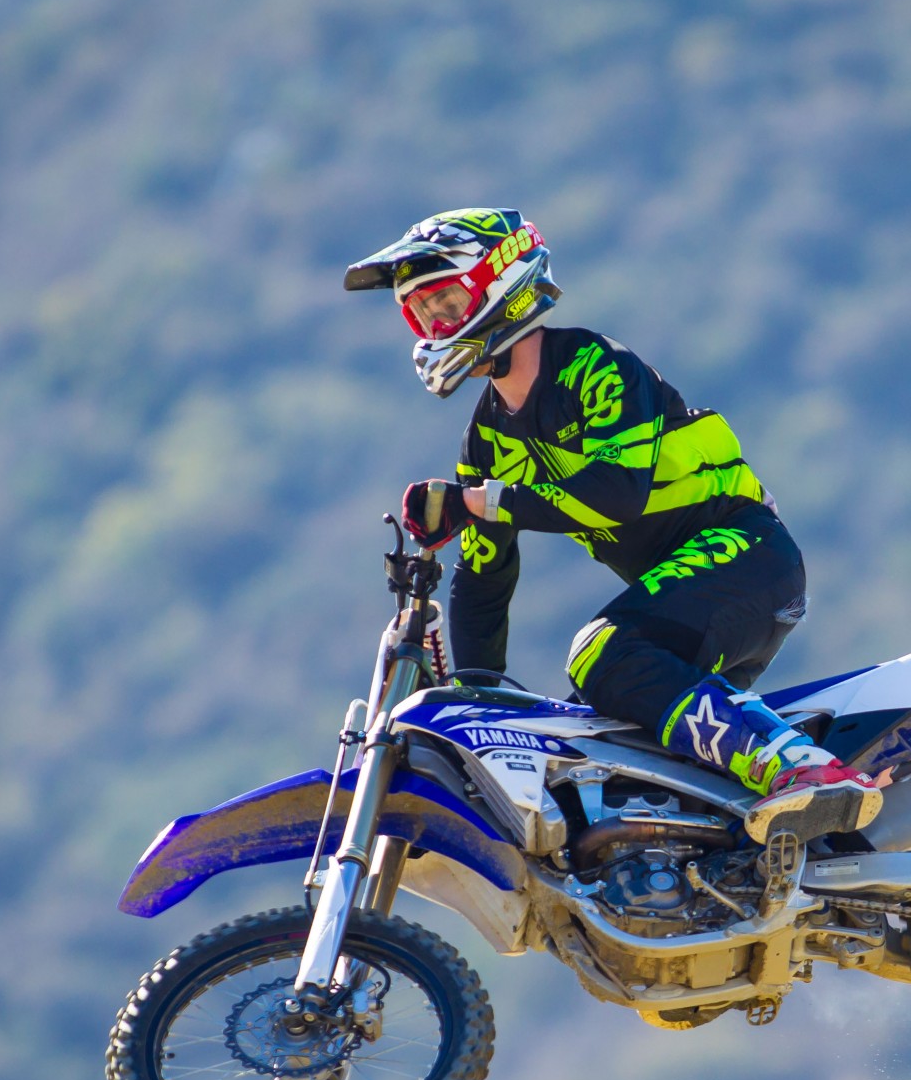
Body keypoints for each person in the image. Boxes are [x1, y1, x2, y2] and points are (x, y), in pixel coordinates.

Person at [344, 208, 882, 845]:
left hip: (747, 555)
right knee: (588, 744)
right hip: (686, 604)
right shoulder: (485, 438)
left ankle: (805, 769)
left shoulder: (594, 365)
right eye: (421, 313)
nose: (436, 326)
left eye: (447, 303)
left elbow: (616, 494)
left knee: (603, 653)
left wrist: (479, 503)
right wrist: (474, 704)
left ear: (500, 282)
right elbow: (484, 580)